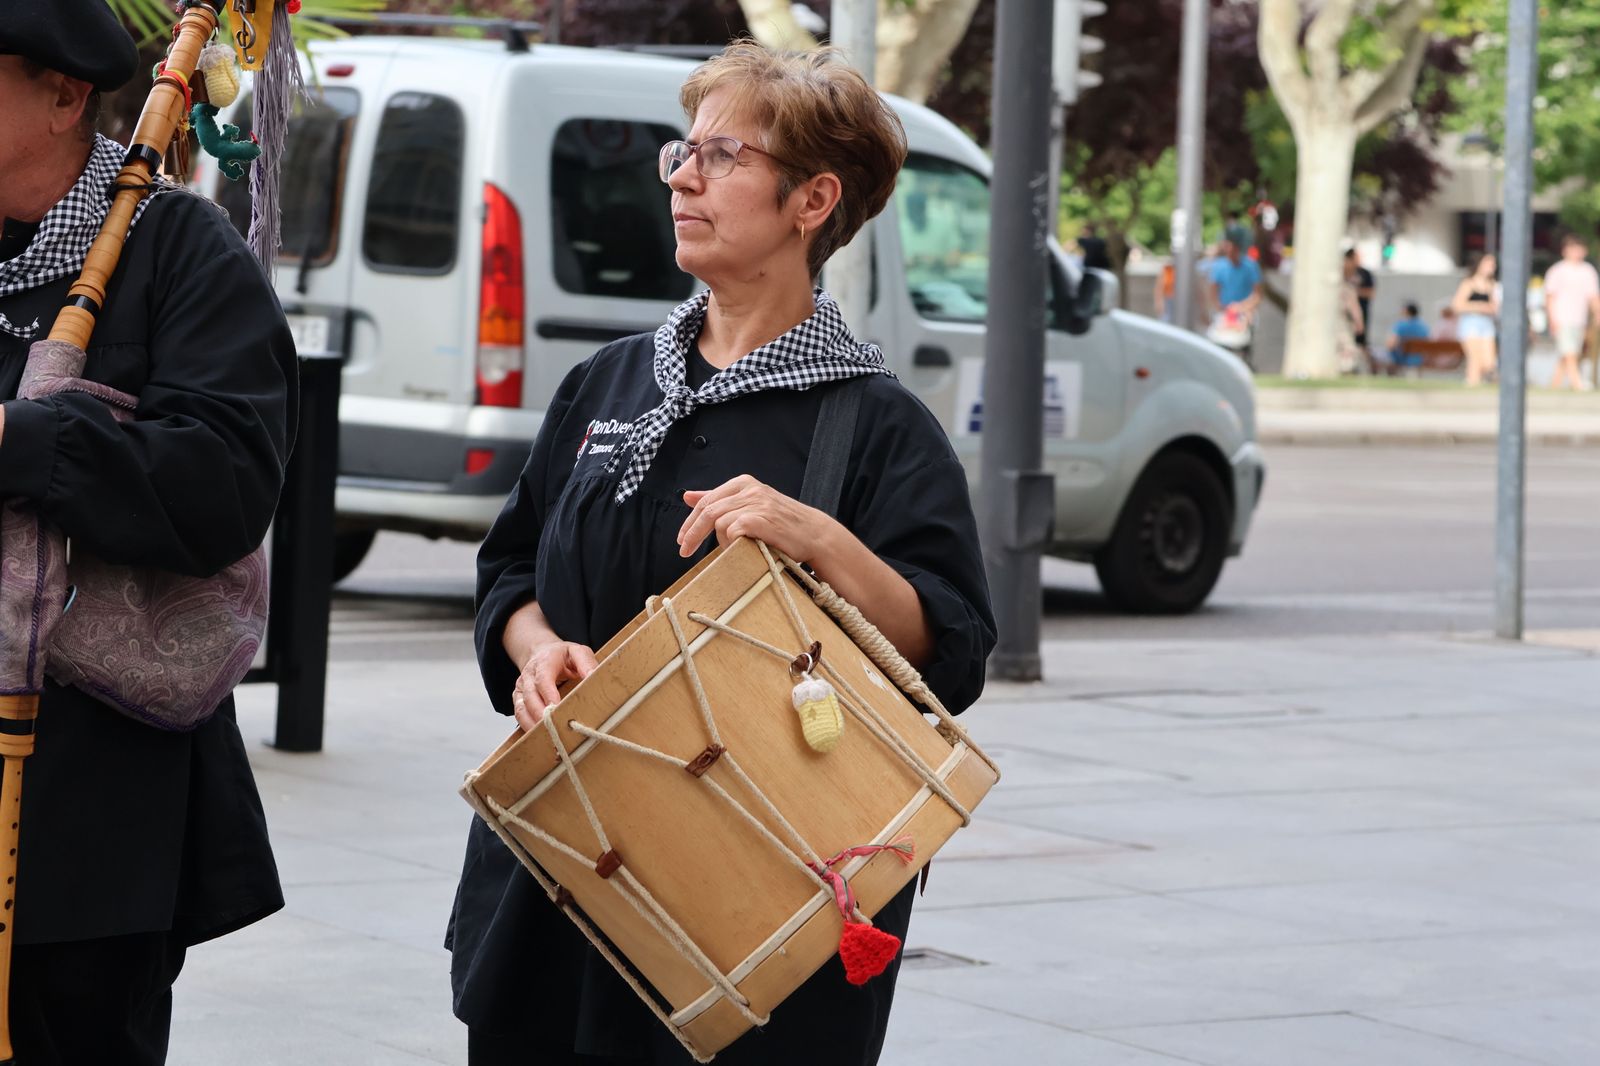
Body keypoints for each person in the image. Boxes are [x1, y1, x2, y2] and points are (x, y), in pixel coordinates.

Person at [446, 41, 996, 1066]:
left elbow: (951, 652)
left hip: (752, 908)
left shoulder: (875, 426)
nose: (683, 177)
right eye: (682, 152)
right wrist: (536, 651)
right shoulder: (607, 383)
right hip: (555, 875)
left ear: (812, 200)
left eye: (724, 155)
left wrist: (817, 538)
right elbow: (509, 576)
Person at [0, 3, 294, 1061]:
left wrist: (29, 444)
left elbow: (224, 485)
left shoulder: (177, 247)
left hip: (92, 793)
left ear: (65, 96)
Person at [1543, 234, 1600, 391]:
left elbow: (1593, 296)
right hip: (1563, 317)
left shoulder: (1588, 271)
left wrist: (1597, 313)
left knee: (1568, 353)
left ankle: (1554, 385)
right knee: (1570, 352)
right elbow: (1549, 298)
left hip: (1579, 319)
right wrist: (1552, 319)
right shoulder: (1557, 271)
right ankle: (1578, 384)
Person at [1207, 228, 1263, 365]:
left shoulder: (1250, 266)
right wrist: (1222, 308)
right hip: (1224, 311)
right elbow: (1213, 292)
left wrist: (1242, 307)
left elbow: (1257, 294)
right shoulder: (1219, 266)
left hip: (1244, 312)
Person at [1450, 253, 1501, 385]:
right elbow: (1457, 305)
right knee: (1475, 359)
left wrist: (1491, 308)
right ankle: (1473, 383)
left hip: (1486, 323)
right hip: (1470, 323)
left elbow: (1495, 306)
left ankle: (1480, 383)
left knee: (1489, 362)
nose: (1492, 267)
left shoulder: (1492, 285)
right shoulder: (1469, 283)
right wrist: (1479, 306)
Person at [1382, 301, 1431, 372]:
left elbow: (1390, 345)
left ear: (1406, 311)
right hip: (1419, 359)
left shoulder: (1400, 325)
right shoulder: (1424, 327)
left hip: (1401, 358)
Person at [1344, 249, 1375, 354]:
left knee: (1359, 340)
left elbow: (1370, 293)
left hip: (1361, 310)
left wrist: (1350, 292)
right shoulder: (1341, 272)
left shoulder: (1365, 274)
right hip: (1343, 314)